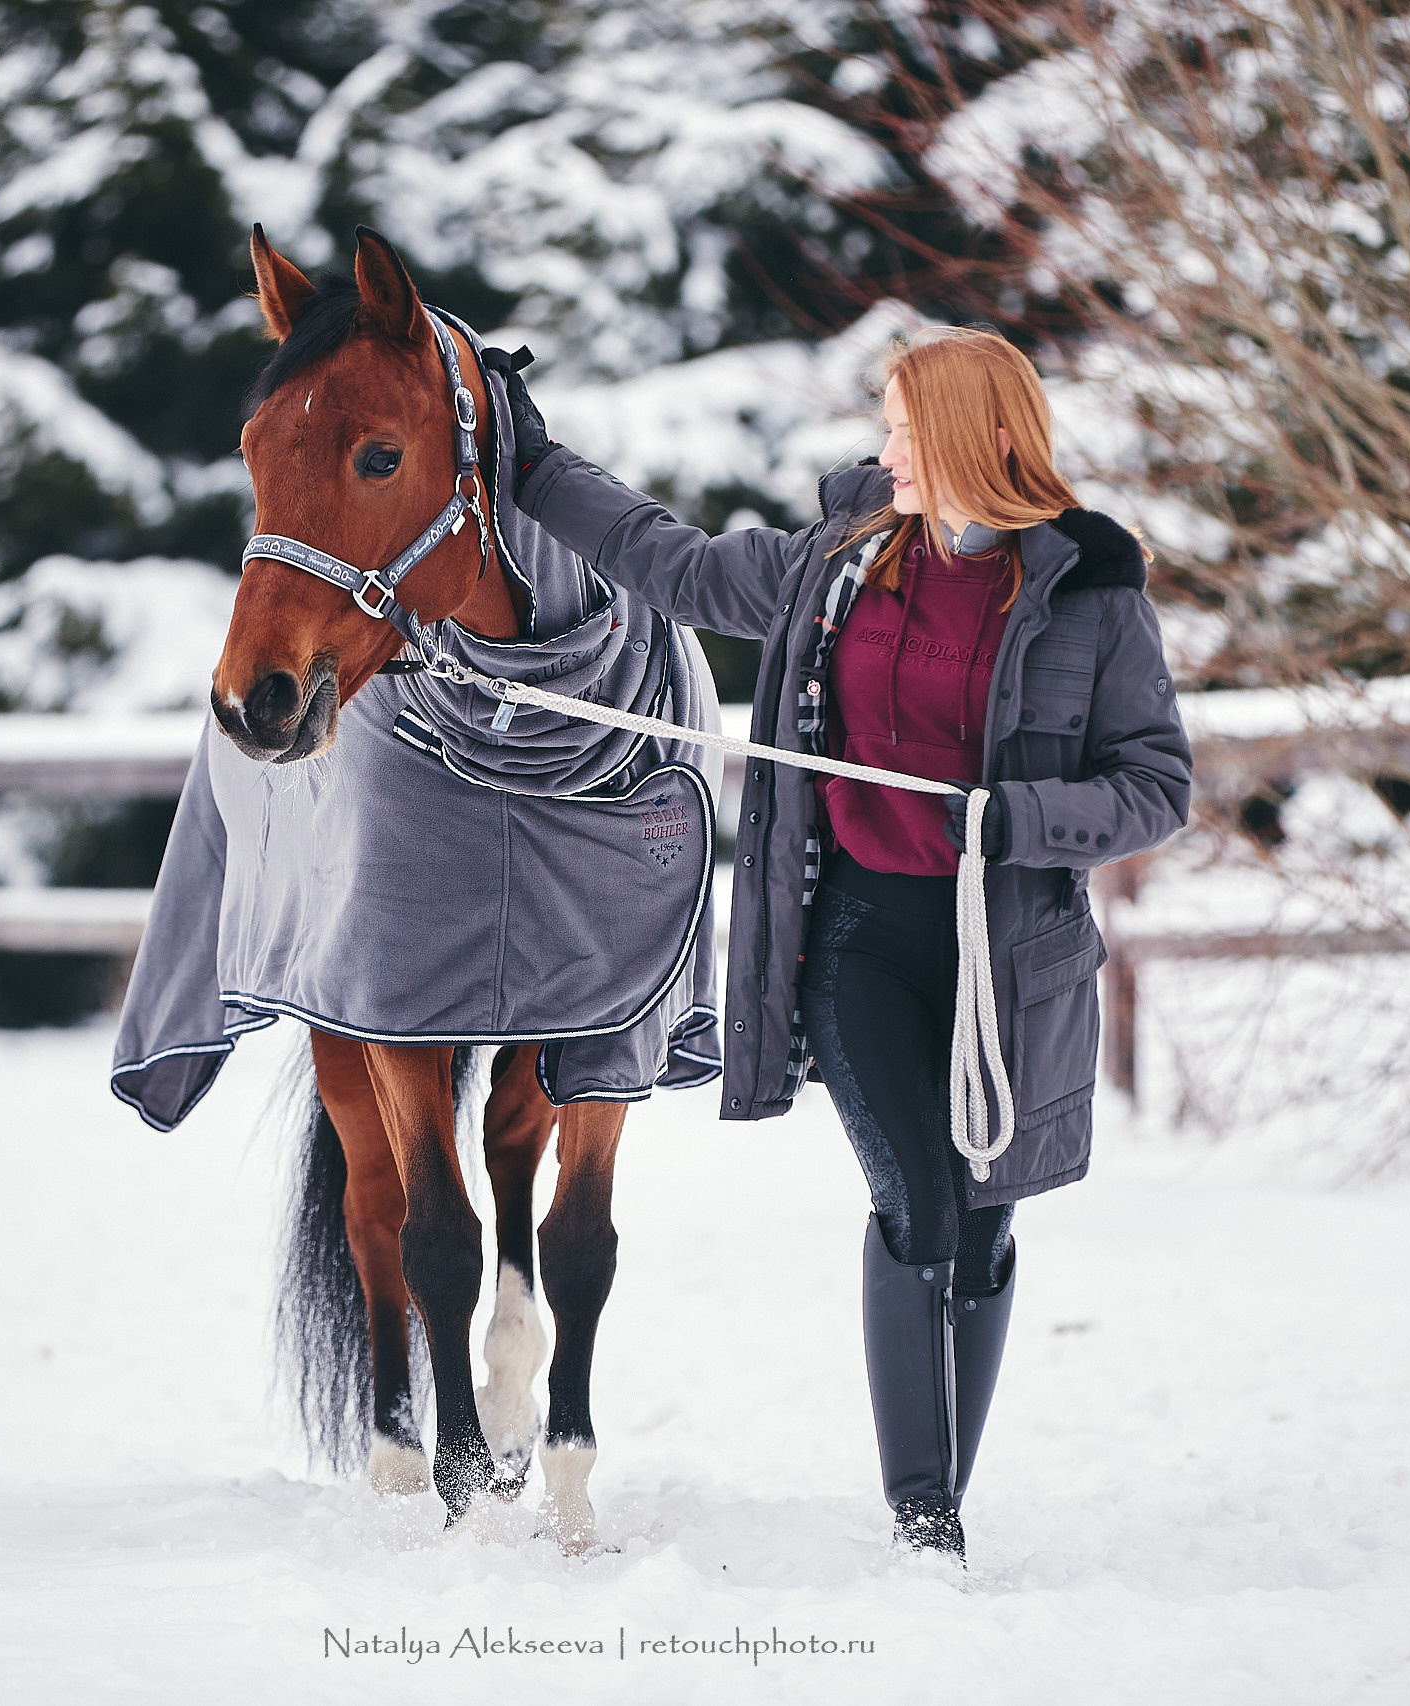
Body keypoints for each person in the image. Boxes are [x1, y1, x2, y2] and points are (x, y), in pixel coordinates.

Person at [497, 326, 1192, 1560]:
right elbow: (671, 561)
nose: (888, 452)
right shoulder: (838, 562)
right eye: (889, 429)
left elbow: (1154, 787)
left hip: (1008, 958)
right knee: (916, 1202)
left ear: (983, 437)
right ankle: (925, 1515)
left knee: (983, 1224)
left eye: (908, 433)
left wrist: (1021, 817)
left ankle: (940, 1492)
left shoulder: (1089, 595)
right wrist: (534, 467)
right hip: (862, 933)